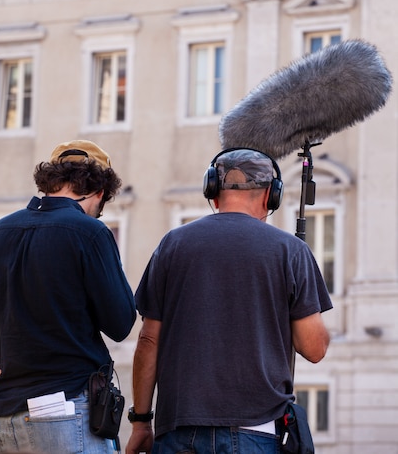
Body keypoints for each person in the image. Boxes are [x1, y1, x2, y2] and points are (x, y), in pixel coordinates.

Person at [126, 148, 332, 454]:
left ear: (213, 191)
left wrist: (142, 422)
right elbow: (314, 349)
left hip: (178, 432)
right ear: (270, 197)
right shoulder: (290, 250)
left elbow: (148, 340)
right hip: (256, 432)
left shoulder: (172, 244)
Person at [0, 140, 136, 454]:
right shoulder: (89, 232)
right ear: (101, 191)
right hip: (65, 414)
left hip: (1, 419)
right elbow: (121, 323)